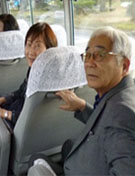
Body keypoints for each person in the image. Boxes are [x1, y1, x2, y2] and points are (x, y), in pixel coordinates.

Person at [45, 27, 135, 174]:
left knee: (36, 161)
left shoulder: (122, 115)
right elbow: (106, 125)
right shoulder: (122, 91)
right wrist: (82, 107)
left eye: (100, 55)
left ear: (124, 66)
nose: (89, 63)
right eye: (88, 55)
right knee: (68, 145)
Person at [0, 22, 57, 128]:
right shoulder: (34, 70)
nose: (31, 52)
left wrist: (2, 112)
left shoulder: (47, 80)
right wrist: (1, 100)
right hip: (20, 108)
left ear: (49, 49)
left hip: (21, 123)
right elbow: (20, 91)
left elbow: (32, 119)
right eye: (29, 44)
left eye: (38, 46)